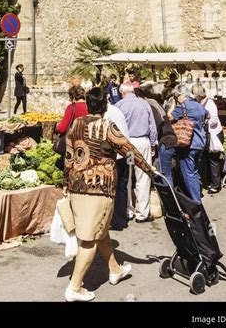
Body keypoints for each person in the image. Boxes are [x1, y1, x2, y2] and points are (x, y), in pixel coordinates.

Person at [64, 87, 156, 302]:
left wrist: (65, 182)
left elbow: (68, 156)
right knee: (88, 240)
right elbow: (129, 151)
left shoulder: (76, 124)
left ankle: (114, 269)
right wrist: (151, 171)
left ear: (88, 104)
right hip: (98, 189)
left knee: (100, 230)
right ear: (105, 105)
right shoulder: (107, 127)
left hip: (77, 186)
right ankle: (75, 287)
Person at [116, 83, 157, 222]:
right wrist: (152, 144)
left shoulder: (119, 106)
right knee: (143, 177)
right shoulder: (144, 104)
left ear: (122, 92)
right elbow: (152, 126)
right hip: (142, 142)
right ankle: (142, 213)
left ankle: (128, 210)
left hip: (127, 144)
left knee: (126, 177)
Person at [171, 84, 208, 204]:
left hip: (188, 143)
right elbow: (208, 115)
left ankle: (195, 200)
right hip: (200, 142)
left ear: (180, 95)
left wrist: (173, 104)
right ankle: (197, 194)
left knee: (188, 172)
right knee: (195, 171)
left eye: (176, 95)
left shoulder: (183, 106)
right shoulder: (198, 105)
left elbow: (169, 116)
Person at [105, 100, 131, 230]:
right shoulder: (117, 111)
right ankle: (121, 219)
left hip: (116, 155)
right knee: (122, 188)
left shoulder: (107, 114)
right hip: (125, 154)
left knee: (114, 189)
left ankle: (116, 220)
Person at [193, 84, 224, 194]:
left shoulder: (210, 103)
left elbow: (214, 119)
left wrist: (204, 122)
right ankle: (208, 182)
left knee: (213, 159)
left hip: (214, 134)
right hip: (205, 135)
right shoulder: (198, 103)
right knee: (205, 159)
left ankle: (216, 184)